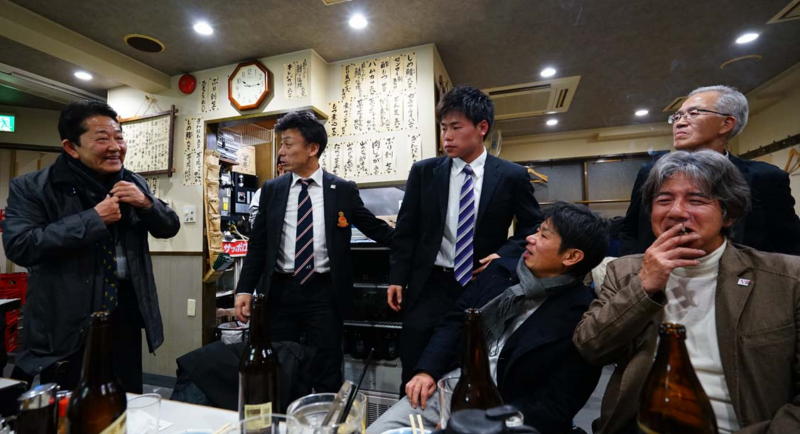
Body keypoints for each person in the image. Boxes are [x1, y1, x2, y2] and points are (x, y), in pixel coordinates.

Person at [574, 150, 800, 434]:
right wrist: (645, 285)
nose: (676, 211)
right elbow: (591, 347)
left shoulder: (787, 279)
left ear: (728, 214)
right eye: (664, 200)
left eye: (696, 200)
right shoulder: (624, 271)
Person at [370, 203, 607, 434]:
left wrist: (491, 424)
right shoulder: (500, 271)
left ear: (572, 256)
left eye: (544, 236)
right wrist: (427, 371)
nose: (530, 238)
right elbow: (455, 321)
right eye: (537, 230)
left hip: (506, 414)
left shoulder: (583, 315)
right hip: (451, 388)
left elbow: (559, 402)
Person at [1, 100, 180, 392]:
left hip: (124, 316)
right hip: (65, 323)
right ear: (71, 147)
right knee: (71, 405)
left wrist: (147, 203)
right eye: (102, 139)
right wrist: (93, 219)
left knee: (126, 400)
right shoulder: (32, 186)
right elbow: (20, 245)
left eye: (119, 137)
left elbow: (169, 227)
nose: (115, 147)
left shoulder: (133, 182)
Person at [388, 85, 542, 389]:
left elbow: (532, 226)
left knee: (469, 362)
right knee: (415, 362)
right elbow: (406, 231)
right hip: (428, 284)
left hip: (479, 282)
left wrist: (505, 256)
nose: (446, 136)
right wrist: (396, 278)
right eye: (443, 127)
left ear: (481, 128)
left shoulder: (511, 175)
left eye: (456, 127)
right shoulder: (425, 172)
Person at [234, 110, 393, 392]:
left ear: (312, 148)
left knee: (327, 365)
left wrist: (420, 246)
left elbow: (374, 228)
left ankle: (325, 413)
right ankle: (286, 413)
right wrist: (244, 289)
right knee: (282, 362)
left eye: (288, 144)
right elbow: (258, 244)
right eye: (281, 144)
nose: (281, 152)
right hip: (280, 291)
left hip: (324, 292)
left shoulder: (341, 190)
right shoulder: (272, 189)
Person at [618, 85, 800, 255]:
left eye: (693, 113)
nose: (679, 123)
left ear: (726, 123)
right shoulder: (651, 172)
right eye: (677, 116)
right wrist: (636, 271)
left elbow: (788, 244)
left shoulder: (765, 178)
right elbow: (631, 232)